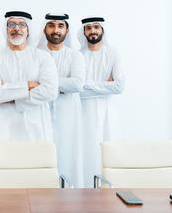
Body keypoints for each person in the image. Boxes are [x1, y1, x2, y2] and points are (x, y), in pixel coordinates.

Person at [0, 11, 58, 142]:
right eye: (11, 24)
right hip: (2, 129)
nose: (16, 28)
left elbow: (50, 91)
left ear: (28, 30)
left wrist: (8, 93)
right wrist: (28, 86)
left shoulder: (43, 57)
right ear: (5, 29)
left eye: (22, 25)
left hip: (35, 128)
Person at [38, 13, 85, 187]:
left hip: (68, 116)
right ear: (44, 29)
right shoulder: (36, 55)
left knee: (67, 155)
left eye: (60, 26)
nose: (56, 30)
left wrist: (46, 84)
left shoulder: (75, 56)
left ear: (67, 30)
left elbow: (78, 83)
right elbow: (29, 83)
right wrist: (62, 85)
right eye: (51, 25)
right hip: (39, 114)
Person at [78, 16, 125, 187]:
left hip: (108, 112)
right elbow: (77, 89)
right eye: (88, 28)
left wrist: (88, 85)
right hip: (84, 113)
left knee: (109, 153)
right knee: (87, 153)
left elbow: (119, 87)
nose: (92, 31)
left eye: (96, 27)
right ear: (84, 32)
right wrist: (106, 84)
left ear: (102, 30)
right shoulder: (78, 56)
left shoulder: (113, 53)